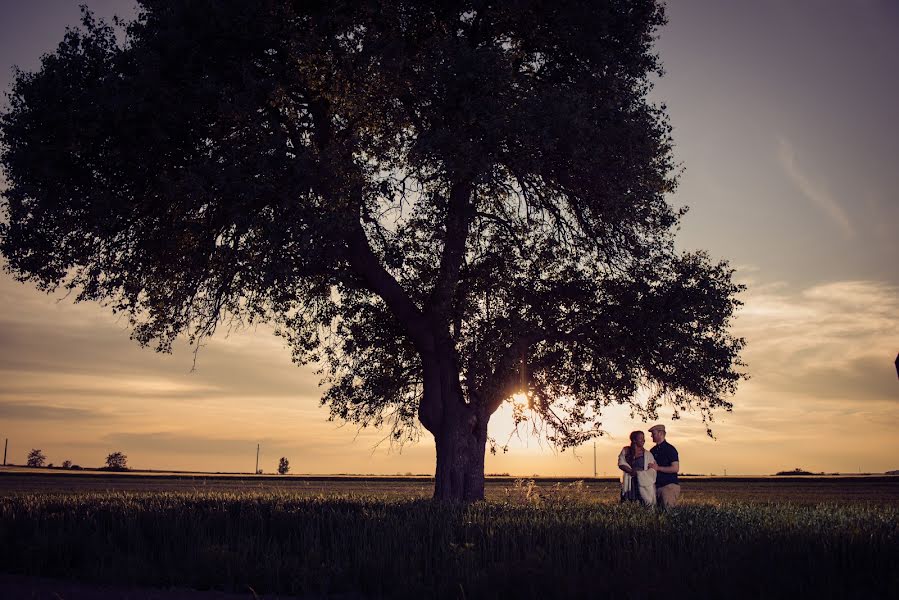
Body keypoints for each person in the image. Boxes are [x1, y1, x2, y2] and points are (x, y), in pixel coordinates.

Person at [617, 430, 657, 505]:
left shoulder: (648, 454)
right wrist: (631, 471)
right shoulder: (626, 451)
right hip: (629, 482)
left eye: (643, 438)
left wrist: (640, 474)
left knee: (643, 503)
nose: (643, 440)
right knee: (628, 503)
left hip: (642, 483)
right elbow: (621, 463)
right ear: (634, 440)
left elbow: (652, 470)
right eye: (641, 438)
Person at [648, 424, 680, 508]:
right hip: (655, 487)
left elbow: (675, 468)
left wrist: (658, 468)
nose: (651, 436)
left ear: (661, 433)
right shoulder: (652, 450)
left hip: (668, 487)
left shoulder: (670, 449)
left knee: (668, 513)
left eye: (653, 433)